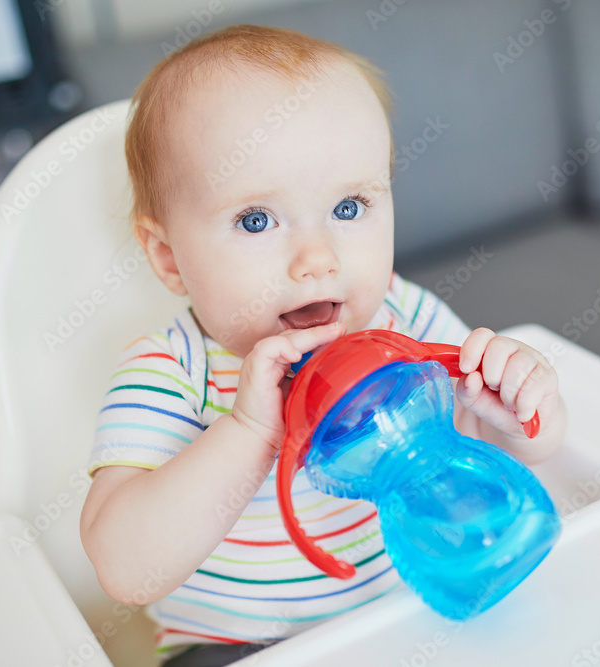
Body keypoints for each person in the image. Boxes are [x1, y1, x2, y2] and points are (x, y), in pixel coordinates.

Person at [80, 24, 568, 666]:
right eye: (256, 220)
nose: (317, 259)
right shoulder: (172, 371)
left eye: (349, 207)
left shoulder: (405, 317)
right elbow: (125, 568)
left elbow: (523, 445)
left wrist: (521, 408)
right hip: (240, 650)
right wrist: (252, 430)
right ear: (170, 259)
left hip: (415, 616)